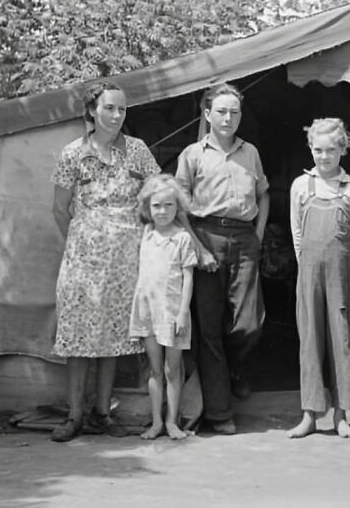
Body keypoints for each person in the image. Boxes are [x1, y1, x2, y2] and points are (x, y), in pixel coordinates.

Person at [50, 80, 160, 443]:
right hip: (83, 262)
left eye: (122, 109)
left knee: (112, 339)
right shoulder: (72, 154)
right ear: (92, 111)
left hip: (125, 261)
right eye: (109, 108)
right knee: (78, 339)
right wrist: (86, 238)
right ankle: (74, 415)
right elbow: (59, 209)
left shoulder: (138, 151)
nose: (116, 115)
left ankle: (102, 413)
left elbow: (158, 192)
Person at [176, 83, 269, 435]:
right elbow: (179, 205)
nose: (228, 118)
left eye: (234, 112)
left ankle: (236, 369)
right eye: (222, 112)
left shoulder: (251, 153)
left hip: (244, 238)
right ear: (208, 115)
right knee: (209, 328)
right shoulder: (192, 154)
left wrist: (257, 236)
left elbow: (264, 194)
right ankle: (219, 412)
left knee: (249, 323)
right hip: (205, 235)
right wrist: (197, 248)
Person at [287, 118, 350, 439]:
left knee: (341, 340)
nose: (324, 156)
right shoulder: (300, 187)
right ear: (310, 149)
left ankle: (341, 416)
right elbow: (296, 233)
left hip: (341, 279)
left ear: (343, 149)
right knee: (310, 340)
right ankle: (309, 414)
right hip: (309, 277)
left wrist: (343, 270)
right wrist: (308, 267)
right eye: (318, 150)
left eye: (331, 150)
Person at [129, 174, 198, 440]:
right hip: (148, 310)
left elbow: (188, 277)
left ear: (177, 207)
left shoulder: (181, 238)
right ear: (148, 208)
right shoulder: (146, 234)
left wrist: (182, 312)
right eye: (157, 205)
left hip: (172, 312)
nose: (162, 211)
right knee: (155, 369)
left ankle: (172, 422)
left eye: (169, 205)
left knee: (173, 369)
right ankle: (156, 421)